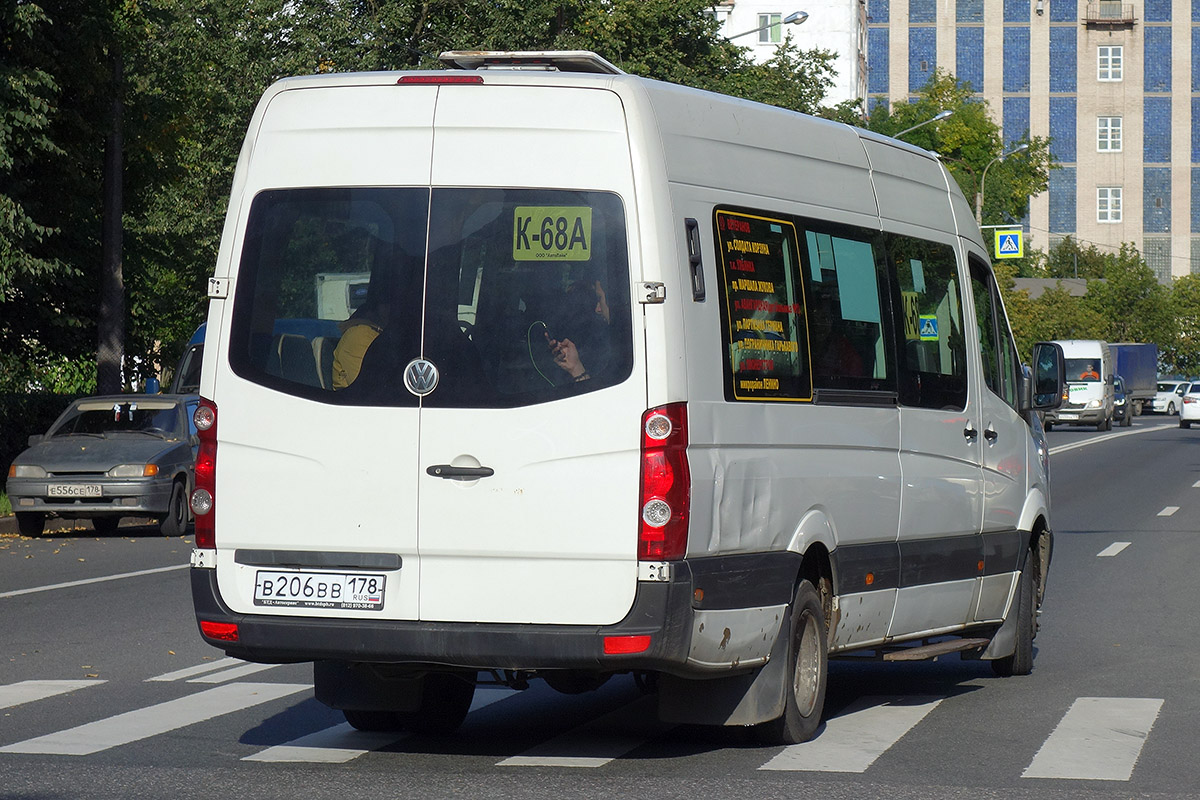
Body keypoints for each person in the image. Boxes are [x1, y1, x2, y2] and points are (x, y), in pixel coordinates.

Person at [332, 269, 393, 390]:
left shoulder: (376, 333)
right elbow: (368, 387)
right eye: (389, 303)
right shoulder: (360, 335)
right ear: (378, 307)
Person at [545, 279, 611, 383]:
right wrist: (574, 366)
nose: (598, 309)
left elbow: (602, 396)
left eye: (600, 299)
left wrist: (576, 369)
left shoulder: (623, 353)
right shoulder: (596, 341)